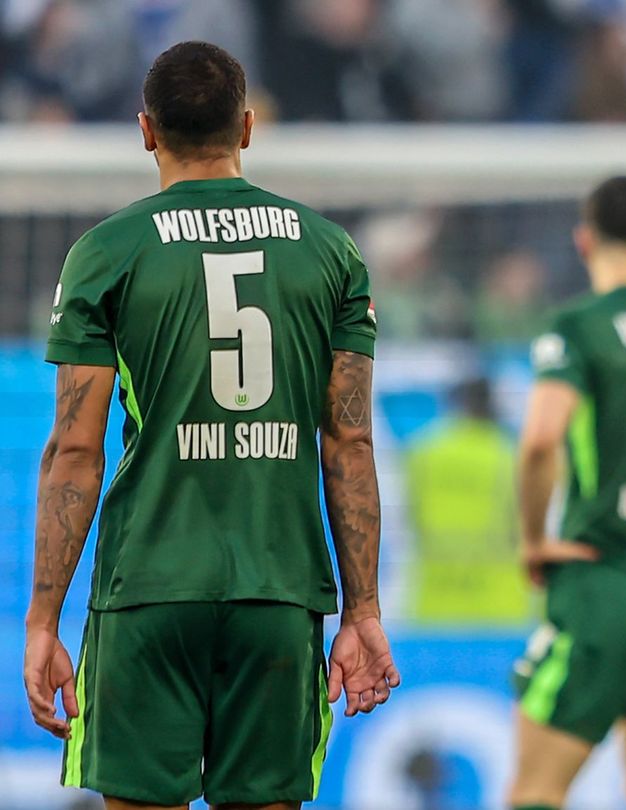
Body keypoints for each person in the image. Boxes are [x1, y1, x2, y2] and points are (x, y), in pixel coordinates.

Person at [21, 41, 399, 810]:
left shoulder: (107, 253)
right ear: (249, 128)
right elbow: (349, 441)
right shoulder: (331, 252)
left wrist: (42, 619)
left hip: (148, 591)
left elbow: (74, 449)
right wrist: (362, 611)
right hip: (278, 590)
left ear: (147, 131)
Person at [509, 176, 626, 810]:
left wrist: (535, 539)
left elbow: (541, 439)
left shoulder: (578, 327)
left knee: (536, 791)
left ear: (584, 241)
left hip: (601, 583)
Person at [405, 377, 528, 624]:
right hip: (499, 601)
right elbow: (522, 528)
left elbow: (412, 520)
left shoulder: (422, 451)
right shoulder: (508, 454)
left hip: (434, 599)